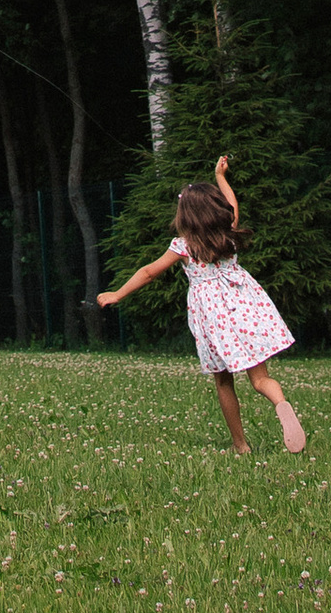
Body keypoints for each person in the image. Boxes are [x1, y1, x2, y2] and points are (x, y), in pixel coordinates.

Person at [97, 151, 305, 455]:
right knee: (261, 379)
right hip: (245, 305)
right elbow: (233, 204)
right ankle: (281, 403)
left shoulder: (183, 246)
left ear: (186, 216)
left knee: (224, 382)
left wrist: (117, 293)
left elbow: (149, 272)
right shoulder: (229, 235)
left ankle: (241, 445)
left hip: (213, 317)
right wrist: (221, 177)